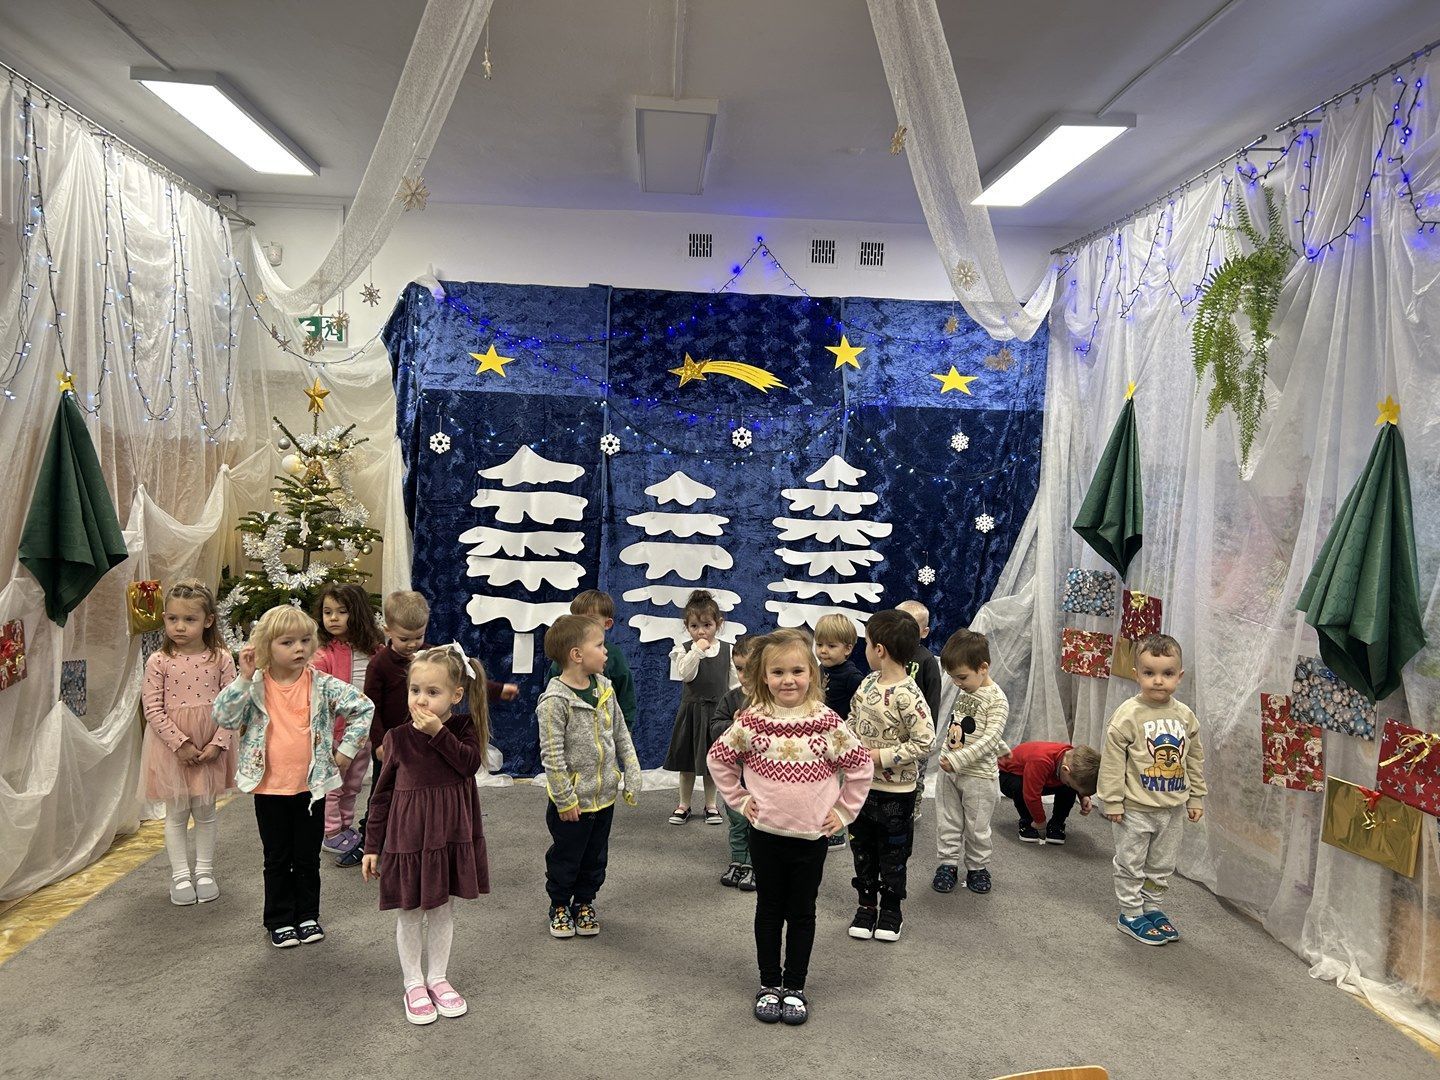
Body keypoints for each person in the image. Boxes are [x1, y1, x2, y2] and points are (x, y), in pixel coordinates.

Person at [708, 630, 872, 1026]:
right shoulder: (752, 721)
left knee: (802, 912)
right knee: (768, 909)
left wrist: (844, 812)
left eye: (797, 671)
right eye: (778, 672)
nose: (788, 680)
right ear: (763, 676)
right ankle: (769, 983)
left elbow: (861, 766)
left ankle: (794, 986)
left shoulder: (827, 722)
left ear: (812, 674)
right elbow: (719, 759)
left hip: (811, 838)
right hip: (765, 835)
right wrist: (741, 800)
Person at [213, 605, 374, 948]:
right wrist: (243, 678)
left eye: (304, 640)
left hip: (311, 789)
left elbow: (364, 707)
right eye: (287, 642)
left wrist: (346, 751)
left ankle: (307, 915)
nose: (298, 648)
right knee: (277, 857)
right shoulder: (254, 685)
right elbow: (224, 717)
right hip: (269, 789)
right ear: (266, 646)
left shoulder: (322, 684)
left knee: (307, 857)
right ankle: (280, 918)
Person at [362, 645, 490, 1025]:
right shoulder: (397, 738)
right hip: (409, 840)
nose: (421, 700)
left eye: (432, 692)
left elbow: (468, 765)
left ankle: (437, 977)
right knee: (410, 910)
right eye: (415, 690)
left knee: (441, 908)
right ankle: (413, 983)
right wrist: (372, 846)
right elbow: (381, 795)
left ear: (456, 695)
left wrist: (438, 733)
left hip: (448, 837)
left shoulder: (463, 730)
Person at [339, 591, 514, 868]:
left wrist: (497, 690)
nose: (412, 645)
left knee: (423, 790)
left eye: (418, 637)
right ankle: (370, 841)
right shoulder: (379, 665)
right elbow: (370, 707)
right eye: (404, 638)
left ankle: (423, 839)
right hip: (392, 742)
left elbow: (464, 677)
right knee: (383, 792)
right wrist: (379, 742)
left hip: (427, 739)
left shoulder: (432, 656)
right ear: (388, 631)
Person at [537, 614, 643, 938]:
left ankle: (584, 902)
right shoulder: (554, 701)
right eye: (599, 645)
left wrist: (632, 771)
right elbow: (552, 756)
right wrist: (564, 798)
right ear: (577, 655)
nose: (606, 651)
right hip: (572, 803)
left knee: (596, 857)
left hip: (604, 797)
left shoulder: (605, 688)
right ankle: (559, 905)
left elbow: (620, 734)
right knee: (567, 857)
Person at [1097, 633, 1206, 946]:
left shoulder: (1185, 716)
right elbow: (1112, 762)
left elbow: (1194, 759)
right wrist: (1112, 801)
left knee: (1161, 865)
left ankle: (1152, 908)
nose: (1158, 681)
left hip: (1172, 809)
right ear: (1137, 674)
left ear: (1179, 676)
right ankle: (1130, 913)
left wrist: (1196, 796)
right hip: (1135, 808)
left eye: (1167, 673)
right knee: (1130, 863)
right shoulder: (1128, 715)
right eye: (1149, 673)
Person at [138, 580, 237, 906]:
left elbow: (232, 704)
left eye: (189, 619)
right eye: (172, 619)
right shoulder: (159, 661)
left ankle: (205, 871)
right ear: (164, 619)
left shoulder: (221, 658)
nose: (179, 627)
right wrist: (179, 744)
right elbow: (152, 707)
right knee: (177, 813)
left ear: (208, 620)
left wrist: (218, 743)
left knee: (205, 811)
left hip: (210, 744)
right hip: (171, 749)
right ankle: (180, 875)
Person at [845, 609, 935, 943]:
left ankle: (891, 910)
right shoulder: (867, 683)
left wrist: (879, 757)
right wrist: (847, 743)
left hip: (897, 792)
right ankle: (867, 905)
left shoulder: (908, 694)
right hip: (860, 788)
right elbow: (853, 718)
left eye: (867, 644)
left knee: (894, 855)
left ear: (879, 649)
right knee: (862, 849)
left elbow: (925, 741)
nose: (865, 650)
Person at [931, 628, 1008, 896]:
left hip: (978, 776)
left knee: (976, 827)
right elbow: (966, 728)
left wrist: (959, 759)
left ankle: (977, 867)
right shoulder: (967, 691)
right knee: (948, 821)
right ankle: (947, 864)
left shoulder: (997, 699)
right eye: (953, 677)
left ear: (983, 668)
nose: (957, 683)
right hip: (949, 771)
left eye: (961, 677)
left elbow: (990, 737)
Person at [313, 583, 386, 860]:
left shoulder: (375, 650)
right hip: (335, 733)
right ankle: (330, 832)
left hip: (363, 733)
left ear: (357, 613)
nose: (333, 618)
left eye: (341, 612)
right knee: (334, 785)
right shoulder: (323, 654)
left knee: (353, 784)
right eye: (327, 612)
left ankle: (344, 825)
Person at [663, 590, 737, 825]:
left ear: (718, 624)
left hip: (717, 715)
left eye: (707, 625)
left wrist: (737, 708)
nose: (701, 631)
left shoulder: (728, 650)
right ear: (687, 627)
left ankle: (711, 805)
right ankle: (684, 805)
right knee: (686, 763)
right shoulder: (684, 649)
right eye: (694, 626)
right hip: (692, 712)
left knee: (713, 762)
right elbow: (686, 674)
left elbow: (734, 685)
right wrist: (698, 650)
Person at [544, 590, 636, 728]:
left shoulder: (614, 656)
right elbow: (551, 691)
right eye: (577, 620)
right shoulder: (564, 654)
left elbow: (626, 695)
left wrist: (626, 729)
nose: (582, 625)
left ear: (607, 623)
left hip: (606, 731)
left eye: (590, 620)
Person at [710, 635, 756, 892]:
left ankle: (754, 864)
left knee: (759, 821)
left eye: (750, 669)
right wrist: (734, 725)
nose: (744, 675)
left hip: (762, 776)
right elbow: (715, 726)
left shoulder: (773, 699)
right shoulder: (730, 698)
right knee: (737, 819)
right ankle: (738, 860)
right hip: (736, 775)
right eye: (739, 669)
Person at [814, 613, 862, 851]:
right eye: (819, 644)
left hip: (838, 741)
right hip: (817, 738)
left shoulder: (852, 676)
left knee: (833, 786)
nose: (823, 651)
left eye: (831, 646)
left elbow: (861, 709)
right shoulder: (819, 669)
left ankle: (835, 832)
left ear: (848, 649)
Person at [997, 742, 1100, 845]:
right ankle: (1027, 821)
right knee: (1020, 787)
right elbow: (1032, 795)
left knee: (1068, 788)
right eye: (1069, 783)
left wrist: (1083, 796)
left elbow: (1077, 780)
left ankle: (1057, 824)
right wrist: (1040, 821)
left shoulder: (1072, 759)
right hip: (1009, 775)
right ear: (1065, 769)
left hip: (1039, 775)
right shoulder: (1040, 761)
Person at [896, 600, 943, 821]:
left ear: (924, 632)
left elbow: (933, 698)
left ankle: (913, 805)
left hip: (916, 731)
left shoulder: (927, 661)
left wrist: (927, 733)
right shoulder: (889, 656)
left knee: (916, 771)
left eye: (911, 627)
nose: (904, 632)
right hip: (893, 729)